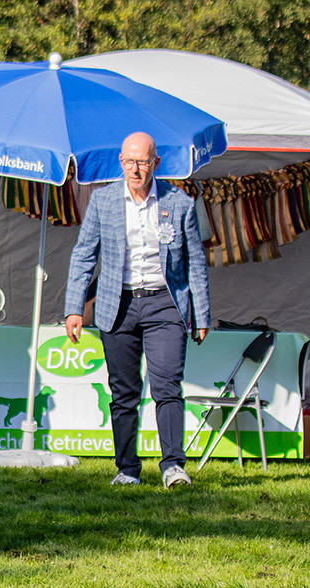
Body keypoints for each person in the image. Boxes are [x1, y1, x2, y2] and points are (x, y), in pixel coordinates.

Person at [64, 131, 210, 489]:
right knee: (123, 392)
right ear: (120, 163)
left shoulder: (179, 203)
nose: (135, 169)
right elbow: (84, 254)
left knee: (167, 387)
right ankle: (127, 468)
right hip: (119, 304)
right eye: (129, 161)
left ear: (156, 164)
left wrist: (201, 314)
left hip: (165, 304)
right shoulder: (103, 201)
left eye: (143, 161)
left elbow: (196, 264)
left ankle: (173, 466)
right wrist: (74, 308)